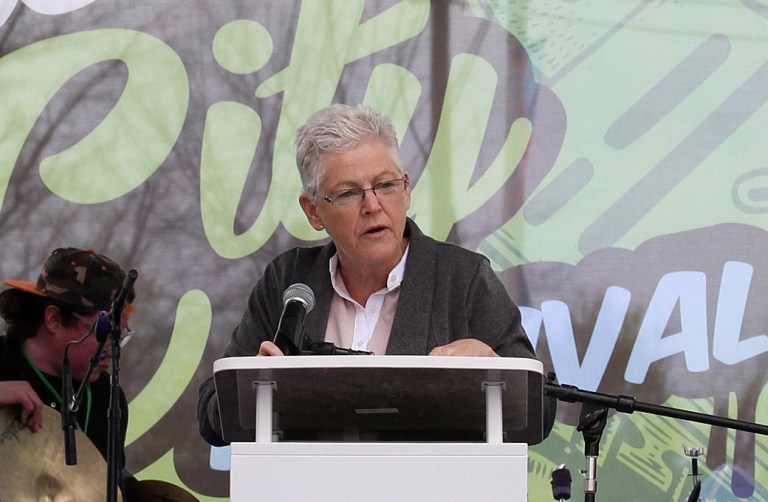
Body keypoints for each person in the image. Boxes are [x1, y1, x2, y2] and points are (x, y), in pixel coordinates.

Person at [197, 103, 553, 445]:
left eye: (385, 185)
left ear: (406, 188)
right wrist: (253, 388)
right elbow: (211, 410)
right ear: (313, 211)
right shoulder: (288, 281)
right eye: (349, 193)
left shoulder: (463, 279)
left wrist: (494, 367)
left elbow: (540, 411)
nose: (372, 205)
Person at [0, 247, 134, 462]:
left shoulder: (109, 399)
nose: (113, 346)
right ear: (54, 319)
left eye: (121, 334)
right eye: (104, 331)